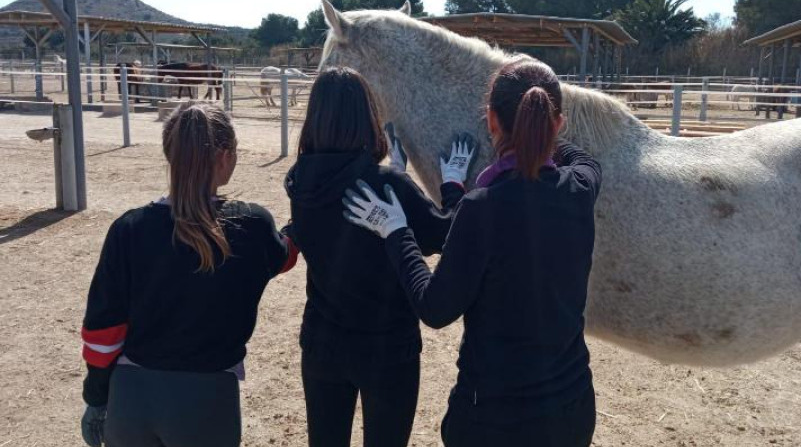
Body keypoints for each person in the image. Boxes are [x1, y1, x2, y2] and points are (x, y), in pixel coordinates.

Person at [344, 58, 602, 447]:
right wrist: (542, 132)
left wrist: (395, 231)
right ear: (557, 123)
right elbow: (585, 160)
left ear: (491, 120)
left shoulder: (482, 207)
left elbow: (435, 308)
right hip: (571, 410)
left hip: (493, 420)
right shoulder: (580, 187)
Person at [79, 102, 298, 447]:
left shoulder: (128, 229)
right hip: (208, 399)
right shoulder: (251, 225)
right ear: (225, 156)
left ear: (169, 153)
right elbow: (285, 257)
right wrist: (300, 214)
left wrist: (95, 397)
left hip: (131, 398)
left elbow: (102, 331)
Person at [284, 66, 476, 447]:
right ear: (365, 116)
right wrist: (452, 183)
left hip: (322, 341)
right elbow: (444, 234)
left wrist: (396, 175)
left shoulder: (300, 182)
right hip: (387, 348)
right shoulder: (389, 185)